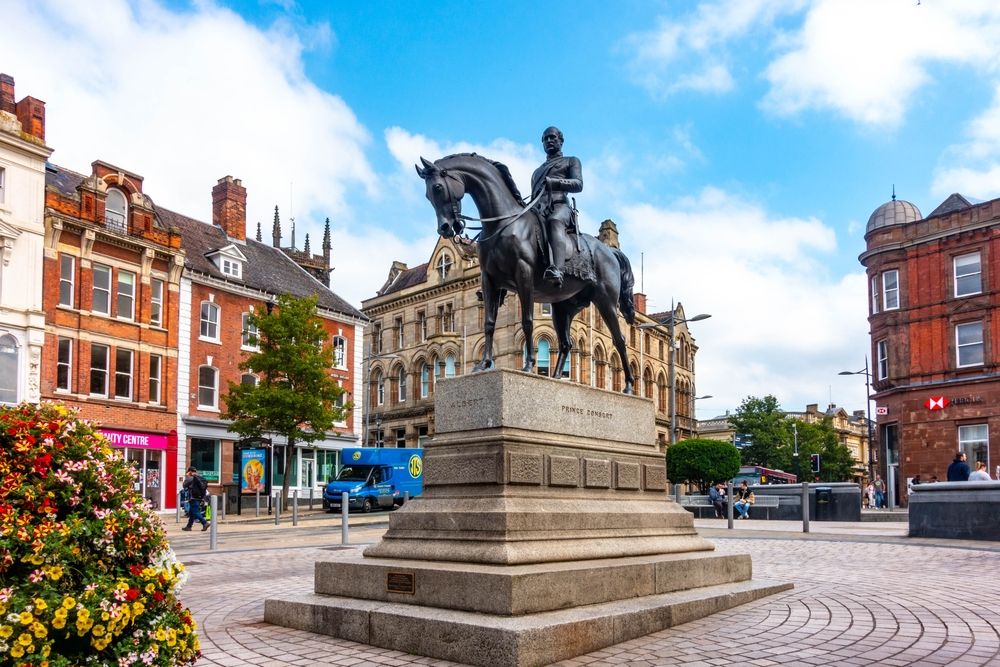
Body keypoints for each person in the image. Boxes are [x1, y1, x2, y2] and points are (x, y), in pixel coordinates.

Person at [530, 126, 582, 287]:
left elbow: (578, 184)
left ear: (561, 140)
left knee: (554, 221)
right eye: (545, 139)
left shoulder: (571, 161)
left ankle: (557, 269)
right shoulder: (537, 172)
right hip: (538, 209)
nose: (549, 141)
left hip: (559, 206)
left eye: (552, 137)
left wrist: (555, 182)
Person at [182, 465, 210, 531]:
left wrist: (187, 476)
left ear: (190, 472)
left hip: (193, 497)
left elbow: (184, 485)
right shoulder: (200, 477)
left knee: (195, 512)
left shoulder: (191, 478)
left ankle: (205, 522)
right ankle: (189, 526)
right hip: (200, 497)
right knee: (192, 512)